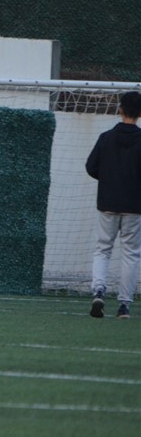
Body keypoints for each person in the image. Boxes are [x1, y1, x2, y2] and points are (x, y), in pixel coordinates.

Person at [85, 90, 141, 319]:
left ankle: (98, 291)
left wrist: (108, 179)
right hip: (135, 205)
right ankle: (124, 305)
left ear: (120, 109)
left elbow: (91, 167)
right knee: (131, 254)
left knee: (103, 249)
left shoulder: (106, 137)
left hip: (108, 201)